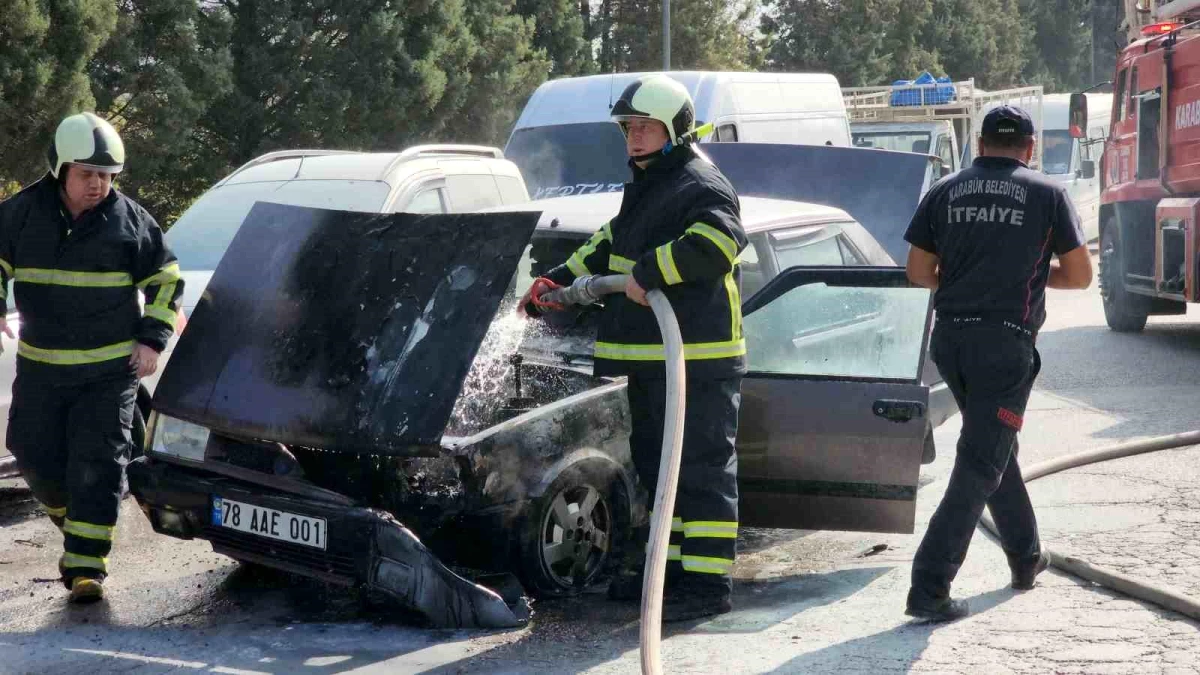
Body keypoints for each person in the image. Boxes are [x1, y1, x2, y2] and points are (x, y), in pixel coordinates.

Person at [522, 74, 748, 622]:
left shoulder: (700, 182)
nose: (634, 137)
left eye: (645, 127)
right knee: (656, 468)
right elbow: (609, 244)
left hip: (696, 358)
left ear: (675, 128)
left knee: (699, 469)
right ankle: (664, 574)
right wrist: (556, 281)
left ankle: (706, 583)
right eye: (628, 128)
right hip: (650, 361)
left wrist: (650, 274)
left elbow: (719, 242)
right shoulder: (647, 184)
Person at [902, 105, 1093, 621]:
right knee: (979, 462)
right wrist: (1025, 280)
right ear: (1030, 148)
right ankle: (928, 589)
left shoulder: (944, 191)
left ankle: (1025, 556)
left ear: (980, 144)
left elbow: (918, 271)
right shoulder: (1048, 194)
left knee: (993, 449)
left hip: (951, 342)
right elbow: (1079, 278)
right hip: (1005, 346)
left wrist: (966, 282)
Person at [0, 112, 184, 603]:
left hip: (108, 375)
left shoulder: (132, 223)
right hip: (41, 369)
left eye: (106, 176)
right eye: (88, 174)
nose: (98, 185)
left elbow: (166, 283)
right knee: (31, 451)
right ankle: (74, 522)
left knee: (99, 466)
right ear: (61, 170)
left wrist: (151, 341)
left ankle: (87, 568)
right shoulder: (19, 214)